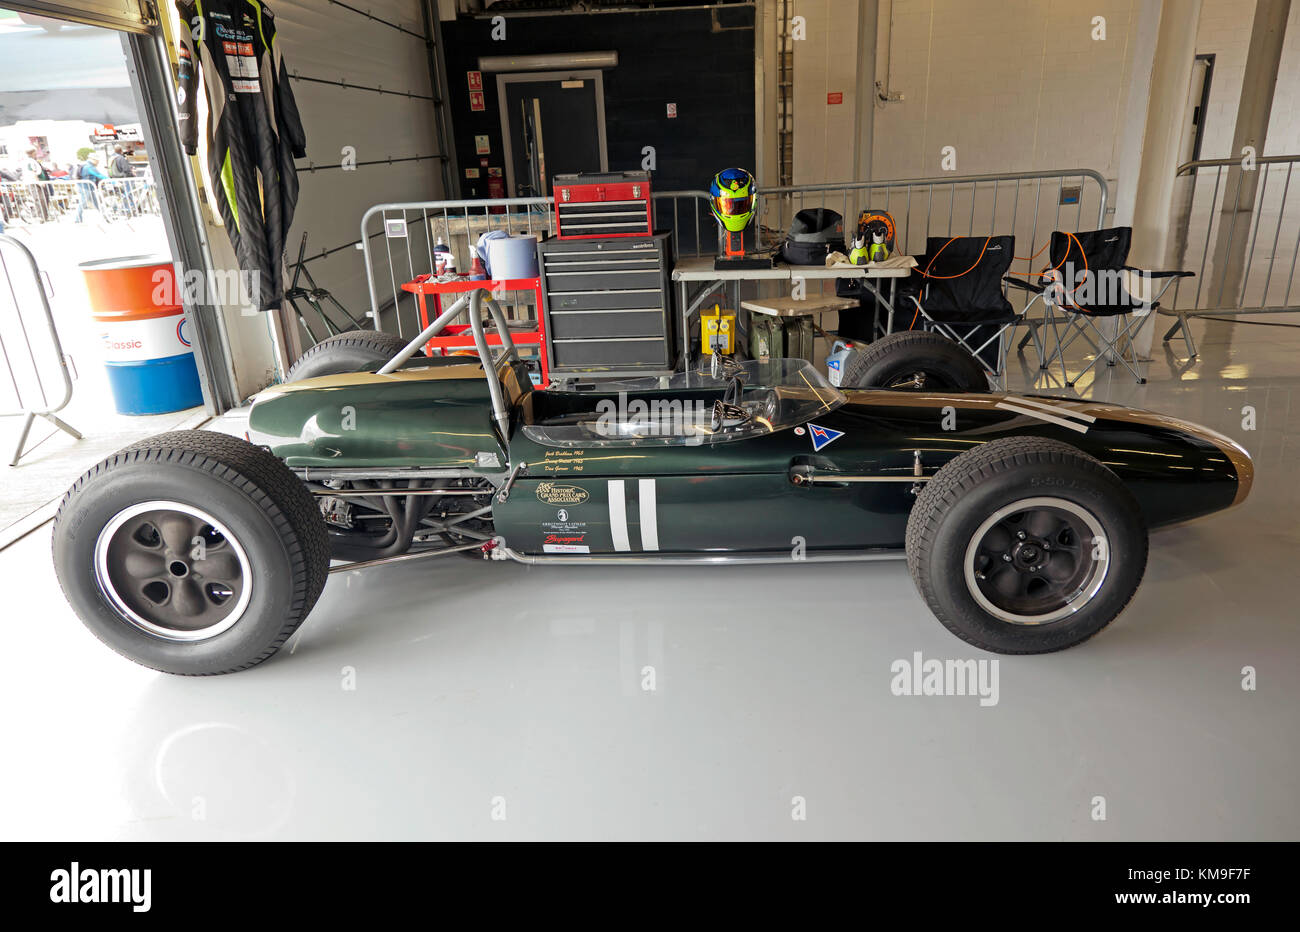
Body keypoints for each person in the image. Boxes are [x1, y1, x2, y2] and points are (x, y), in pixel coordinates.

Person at [74, 153, 106, 223]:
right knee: (83, 203)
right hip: (86, 187)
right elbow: (99, 175)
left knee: (96, 202)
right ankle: (77, 219)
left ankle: (105, 216)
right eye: (97, 161)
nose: (98, 162)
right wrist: (112, 181)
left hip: (86, 187)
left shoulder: (85, 165)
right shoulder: (89, 167)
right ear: (93, 160)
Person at [109, 145, 137, 215]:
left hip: (115, 179)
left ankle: (116, 209)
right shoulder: (121, 158)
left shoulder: (111, 158)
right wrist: (133, 174)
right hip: (124, 179)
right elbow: (126, 169)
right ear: (121, 151)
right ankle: (128, 209)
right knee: (127, 194)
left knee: (123, 195)